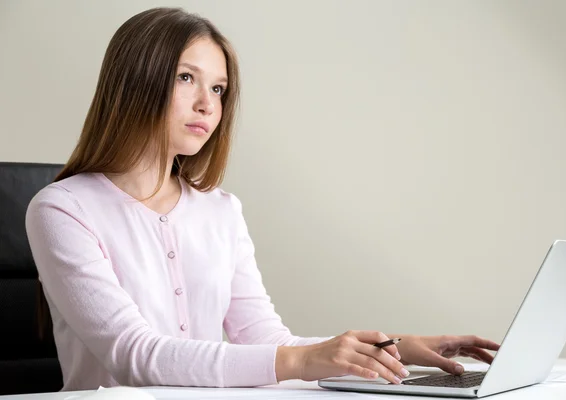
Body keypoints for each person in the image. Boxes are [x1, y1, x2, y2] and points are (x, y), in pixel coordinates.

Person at [25, 7, 500, 391]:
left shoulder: (221, 210)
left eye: (218, 88)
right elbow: (135, 356)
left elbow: (267, 341)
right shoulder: (63, 209)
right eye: (186, 78)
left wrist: (392, 347)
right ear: (135, 80)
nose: (208, 105)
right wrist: (303, 358)